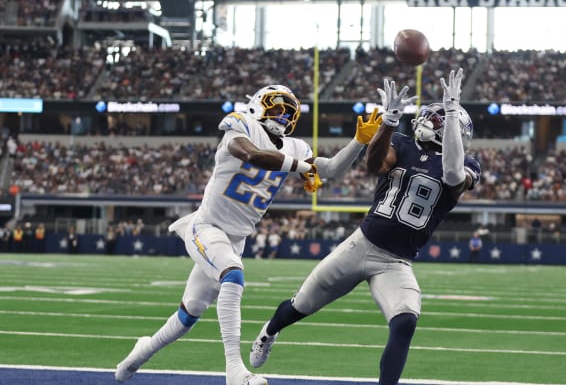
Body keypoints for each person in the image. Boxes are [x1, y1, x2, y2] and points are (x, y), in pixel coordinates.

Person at [114, 84, 382, 385]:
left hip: (235, 239)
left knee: (189, 315)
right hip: (207, 227)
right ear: (258, 104)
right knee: (233, 274)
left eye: (289, 113)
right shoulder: (240, 125)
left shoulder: (296, 147)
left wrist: (358, 141)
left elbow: (331, 169)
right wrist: (300, 167)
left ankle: (137, 356)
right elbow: (250, 154)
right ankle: (234, 371)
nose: (282, 116)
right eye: (277, 108)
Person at [249, 69, 481, 385]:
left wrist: (452, 112)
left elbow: (453, 175)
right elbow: (374, 165)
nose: (435, 122)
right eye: (443, 119)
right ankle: (269, 332)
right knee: (302, 304)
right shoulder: (402, 143)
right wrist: (388, 122)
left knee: (405, 321)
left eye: (445, 121)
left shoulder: (468, 165)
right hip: (361, 245)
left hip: (396, 262)